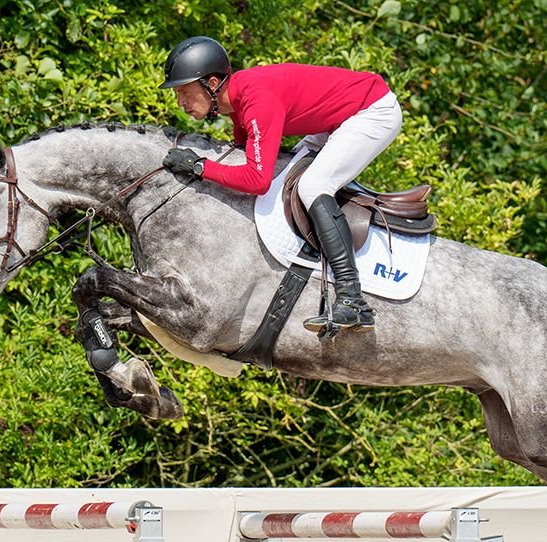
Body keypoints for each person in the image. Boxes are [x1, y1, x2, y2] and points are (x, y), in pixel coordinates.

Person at [159, 36, 403, 334]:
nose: (180, 103)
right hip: (334, 121)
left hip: (372, 111)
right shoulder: (237, 102)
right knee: (289, 177)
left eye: (184, 92)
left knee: (312, 187)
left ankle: (353, 300)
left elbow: (257, 181)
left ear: (211, 84)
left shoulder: (256, 100)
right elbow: (244, 153)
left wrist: (200, 167)